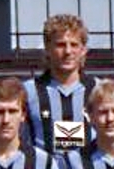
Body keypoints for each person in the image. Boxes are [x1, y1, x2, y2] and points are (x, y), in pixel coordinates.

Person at [25, 14, 97, 155]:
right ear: (47, 48)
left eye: (74, 45)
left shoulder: (98, 90)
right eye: (60, 45)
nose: (68, 51)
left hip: (90, 168)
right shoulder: (28, 92)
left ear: (83, 50)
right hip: (44, 168)